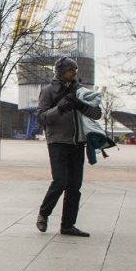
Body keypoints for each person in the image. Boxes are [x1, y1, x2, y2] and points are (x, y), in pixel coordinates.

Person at [36, 57, 102, 236]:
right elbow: (41, 117)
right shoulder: (48, 91)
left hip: (77, 143)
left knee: (74, 185)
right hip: (57, 142)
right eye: (70, 70)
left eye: (75, 69)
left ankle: (67, 225)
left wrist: (80, 104)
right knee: (60, 181)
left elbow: (97, 113)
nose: (74, 73)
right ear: (60, 71)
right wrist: (60, 109)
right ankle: (43, 214)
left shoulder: (80, 91)